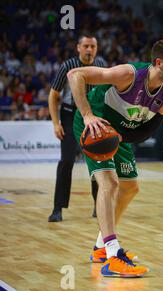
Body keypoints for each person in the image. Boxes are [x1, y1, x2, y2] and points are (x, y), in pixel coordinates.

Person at [68, 39, 163, 277]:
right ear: (159, 62)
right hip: (96, 123)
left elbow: (146, 130)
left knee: (130, 188)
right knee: (109, 183)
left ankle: (101, 247)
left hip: (118, 133)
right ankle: (113, 256)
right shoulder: (127, 74)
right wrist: (88, 115)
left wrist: (121, 137)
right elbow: (75, 74)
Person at [48, 34, 107, 222]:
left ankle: (99, 206)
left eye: (93, 46)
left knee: (97, 161)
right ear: (78, 48)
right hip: (69, 115)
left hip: (93, 116)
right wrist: (56, 123)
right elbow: (53, 95)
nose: (89, 49)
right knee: (66, 161)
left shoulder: (101, 65)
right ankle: (58, 209)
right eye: (86, 46)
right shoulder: (67, 66)